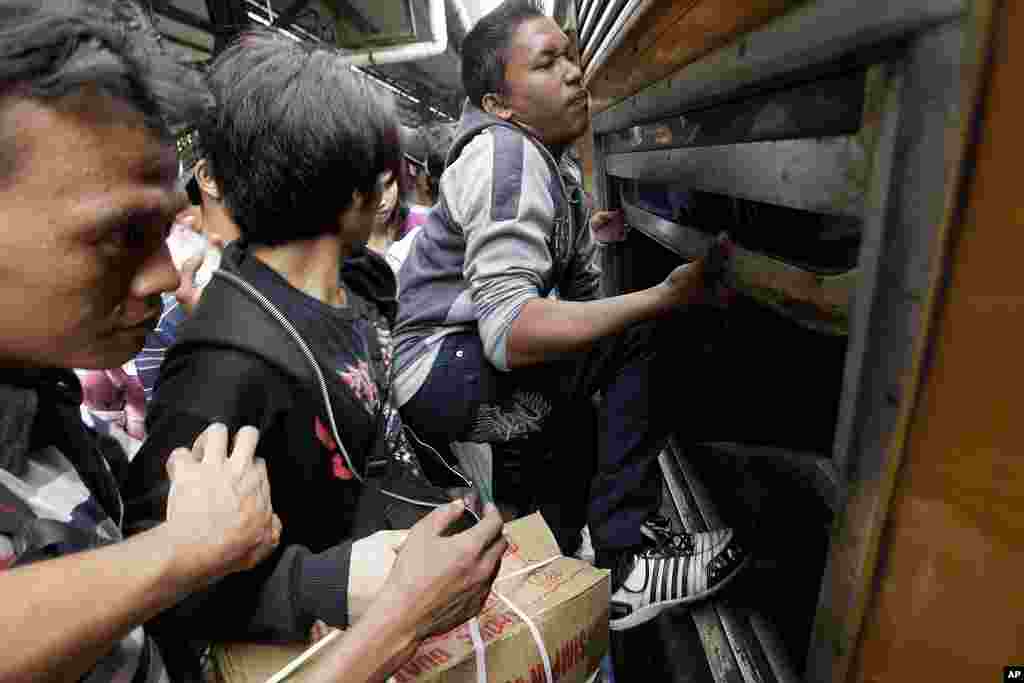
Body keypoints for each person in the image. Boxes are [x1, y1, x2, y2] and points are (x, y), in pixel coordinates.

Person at [0, 4, 504, 682]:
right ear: (355, 187)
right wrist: (344, 591)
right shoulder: (223, 362)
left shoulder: (45, 406)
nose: (168, 274)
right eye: (120, 234)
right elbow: (181, 590)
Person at [392, 0, 748, 630]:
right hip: (442, 362)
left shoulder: (552, 171)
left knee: (576, 397)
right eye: (547, 63)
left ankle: (557, 576)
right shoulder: (506, 156)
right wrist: (660, 299)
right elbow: (510, 334)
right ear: (500, 104)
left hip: (453, 364)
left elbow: (577, 306)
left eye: (571, 55)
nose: (575, 73)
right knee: (639, 330)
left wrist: (594, 241)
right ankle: (630, 560)